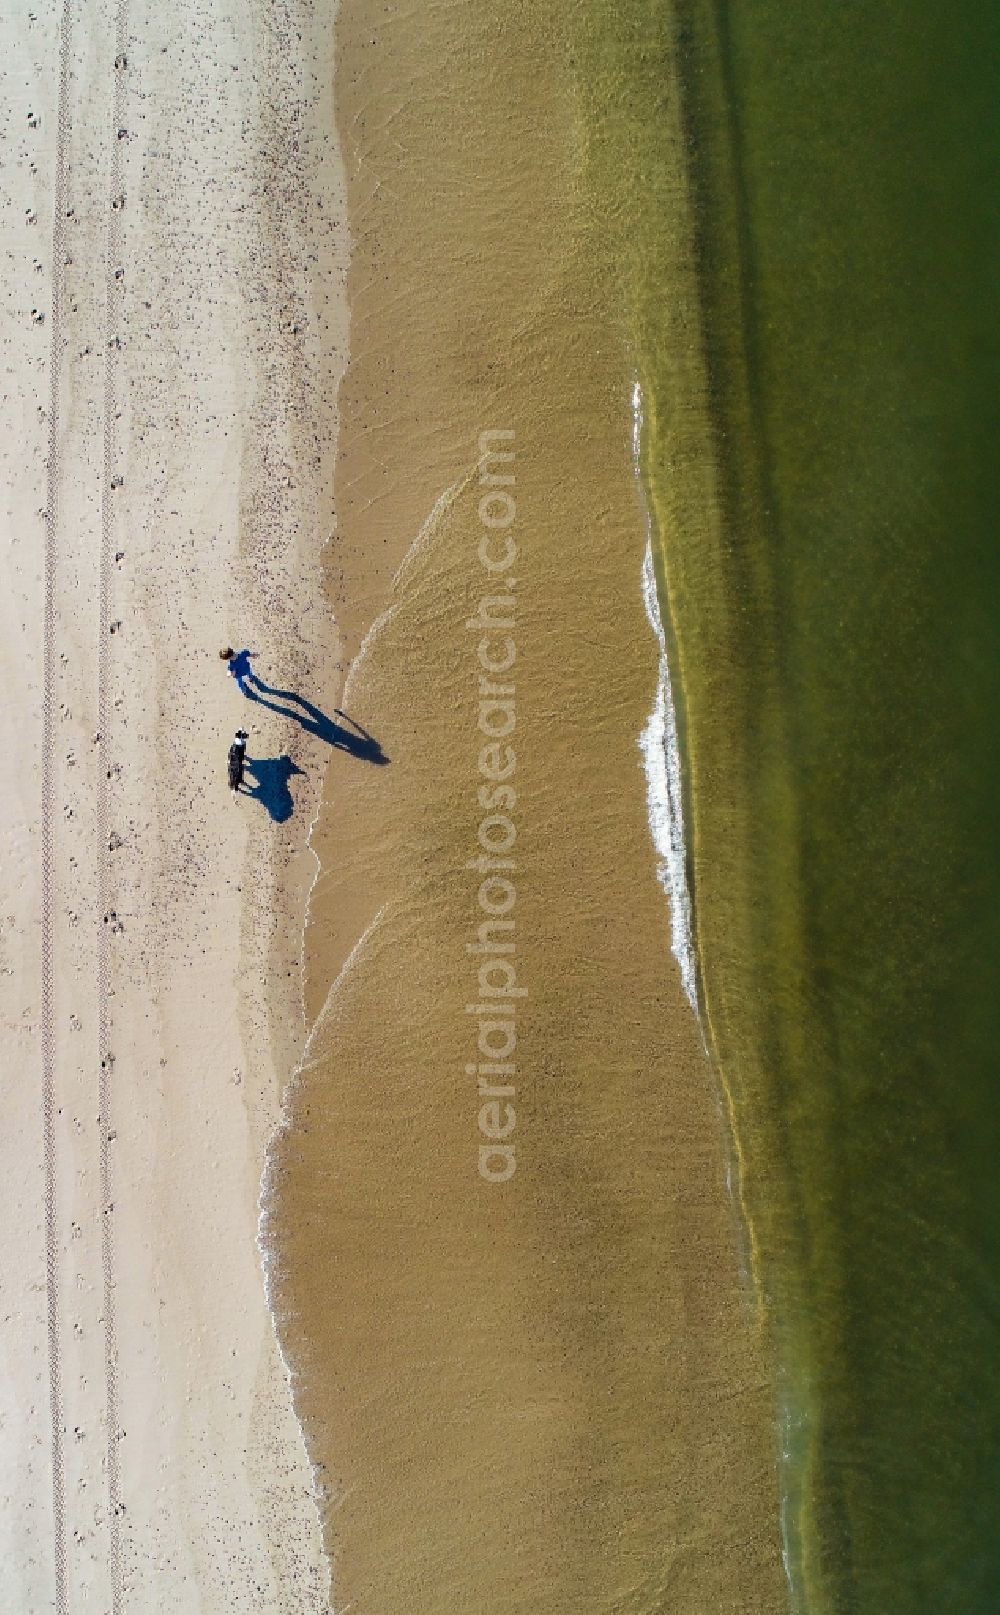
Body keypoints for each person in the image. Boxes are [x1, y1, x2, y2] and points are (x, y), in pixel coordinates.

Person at [228, 729, 249, 793]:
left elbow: (230, 754)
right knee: (239, 769)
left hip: (233, 759)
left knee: (232, 771)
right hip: (238, 758)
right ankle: (237, 783)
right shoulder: (243, 743)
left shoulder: (235, 743)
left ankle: (233, 785)